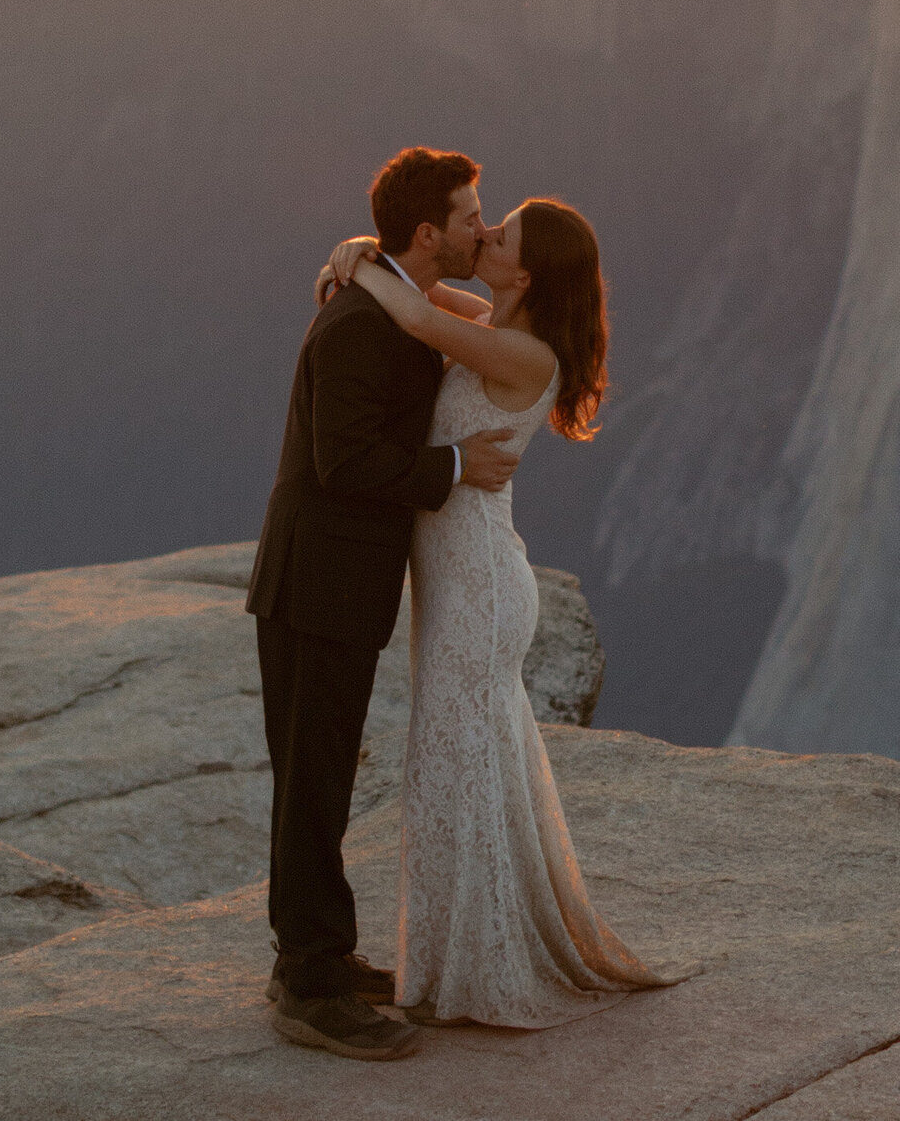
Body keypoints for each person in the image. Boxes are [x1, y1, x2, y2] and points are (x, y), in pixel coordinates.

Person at [320, 196, 678, 1028]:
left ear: (527, 272)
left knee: (456, 772)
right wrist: (359, 247)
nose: (484, 235)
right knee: (456, 773)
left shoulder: (521, 353)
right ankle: (453, 968)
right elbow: (416, 290)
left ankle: (471, 976)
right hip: (460, 581)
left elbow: (408, 308)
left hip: (477, 587)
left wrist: (359, 260)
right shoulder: (492, 321)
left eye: (501, 234)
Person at [246, 146, 520, 1062]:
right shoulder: (362, 322)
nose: (482, 228)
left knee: (317, 770)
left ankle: (314, 957)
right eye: (470, 215)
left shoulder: (388, 297)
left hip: (334, 583)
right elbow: (343, 461)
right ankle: (312, 979)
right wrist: (453, 467)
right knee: (312, 775)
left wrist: (359, 252)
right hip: (317, 584)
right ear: (428, 231)